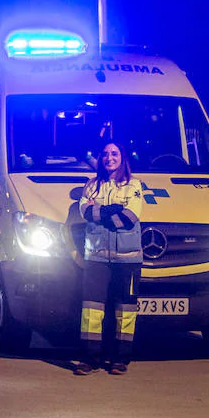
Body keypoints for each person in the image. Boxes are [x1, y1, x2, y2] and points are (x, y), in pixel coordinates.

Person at [73, 141, 144, 375]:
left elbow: (130, 217)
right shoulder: (91, 185)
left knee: (125, 310)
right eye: (105, 154)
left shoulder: (134, 185)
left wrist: (99, 212)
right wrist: (111, 209)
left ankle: (120, 359)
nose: (109, 158)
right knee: (92, 310)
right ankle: (89, 359)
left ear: (122, 158)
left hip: (128, 259)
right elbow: (84, 212)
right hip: (96, 257)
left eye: (114, 153)